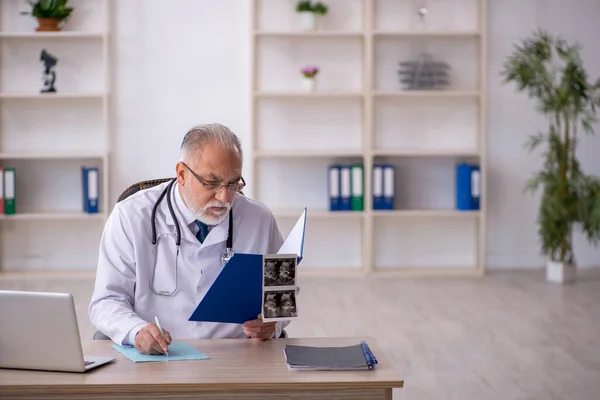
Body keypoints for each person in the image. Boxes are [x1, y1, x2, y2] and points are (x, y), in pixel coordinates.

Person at [89, 123, 289, 355]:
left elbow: (283, 294)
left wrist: (272, 324)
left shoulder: (260, 219)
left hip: (237, 356)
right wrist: (136, 330)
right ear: (182, 174)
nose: (224, 196)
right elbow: (106, 301)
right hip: (159, 357)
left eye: (233, 184)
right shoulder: (131, 216)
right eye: (211, 183)